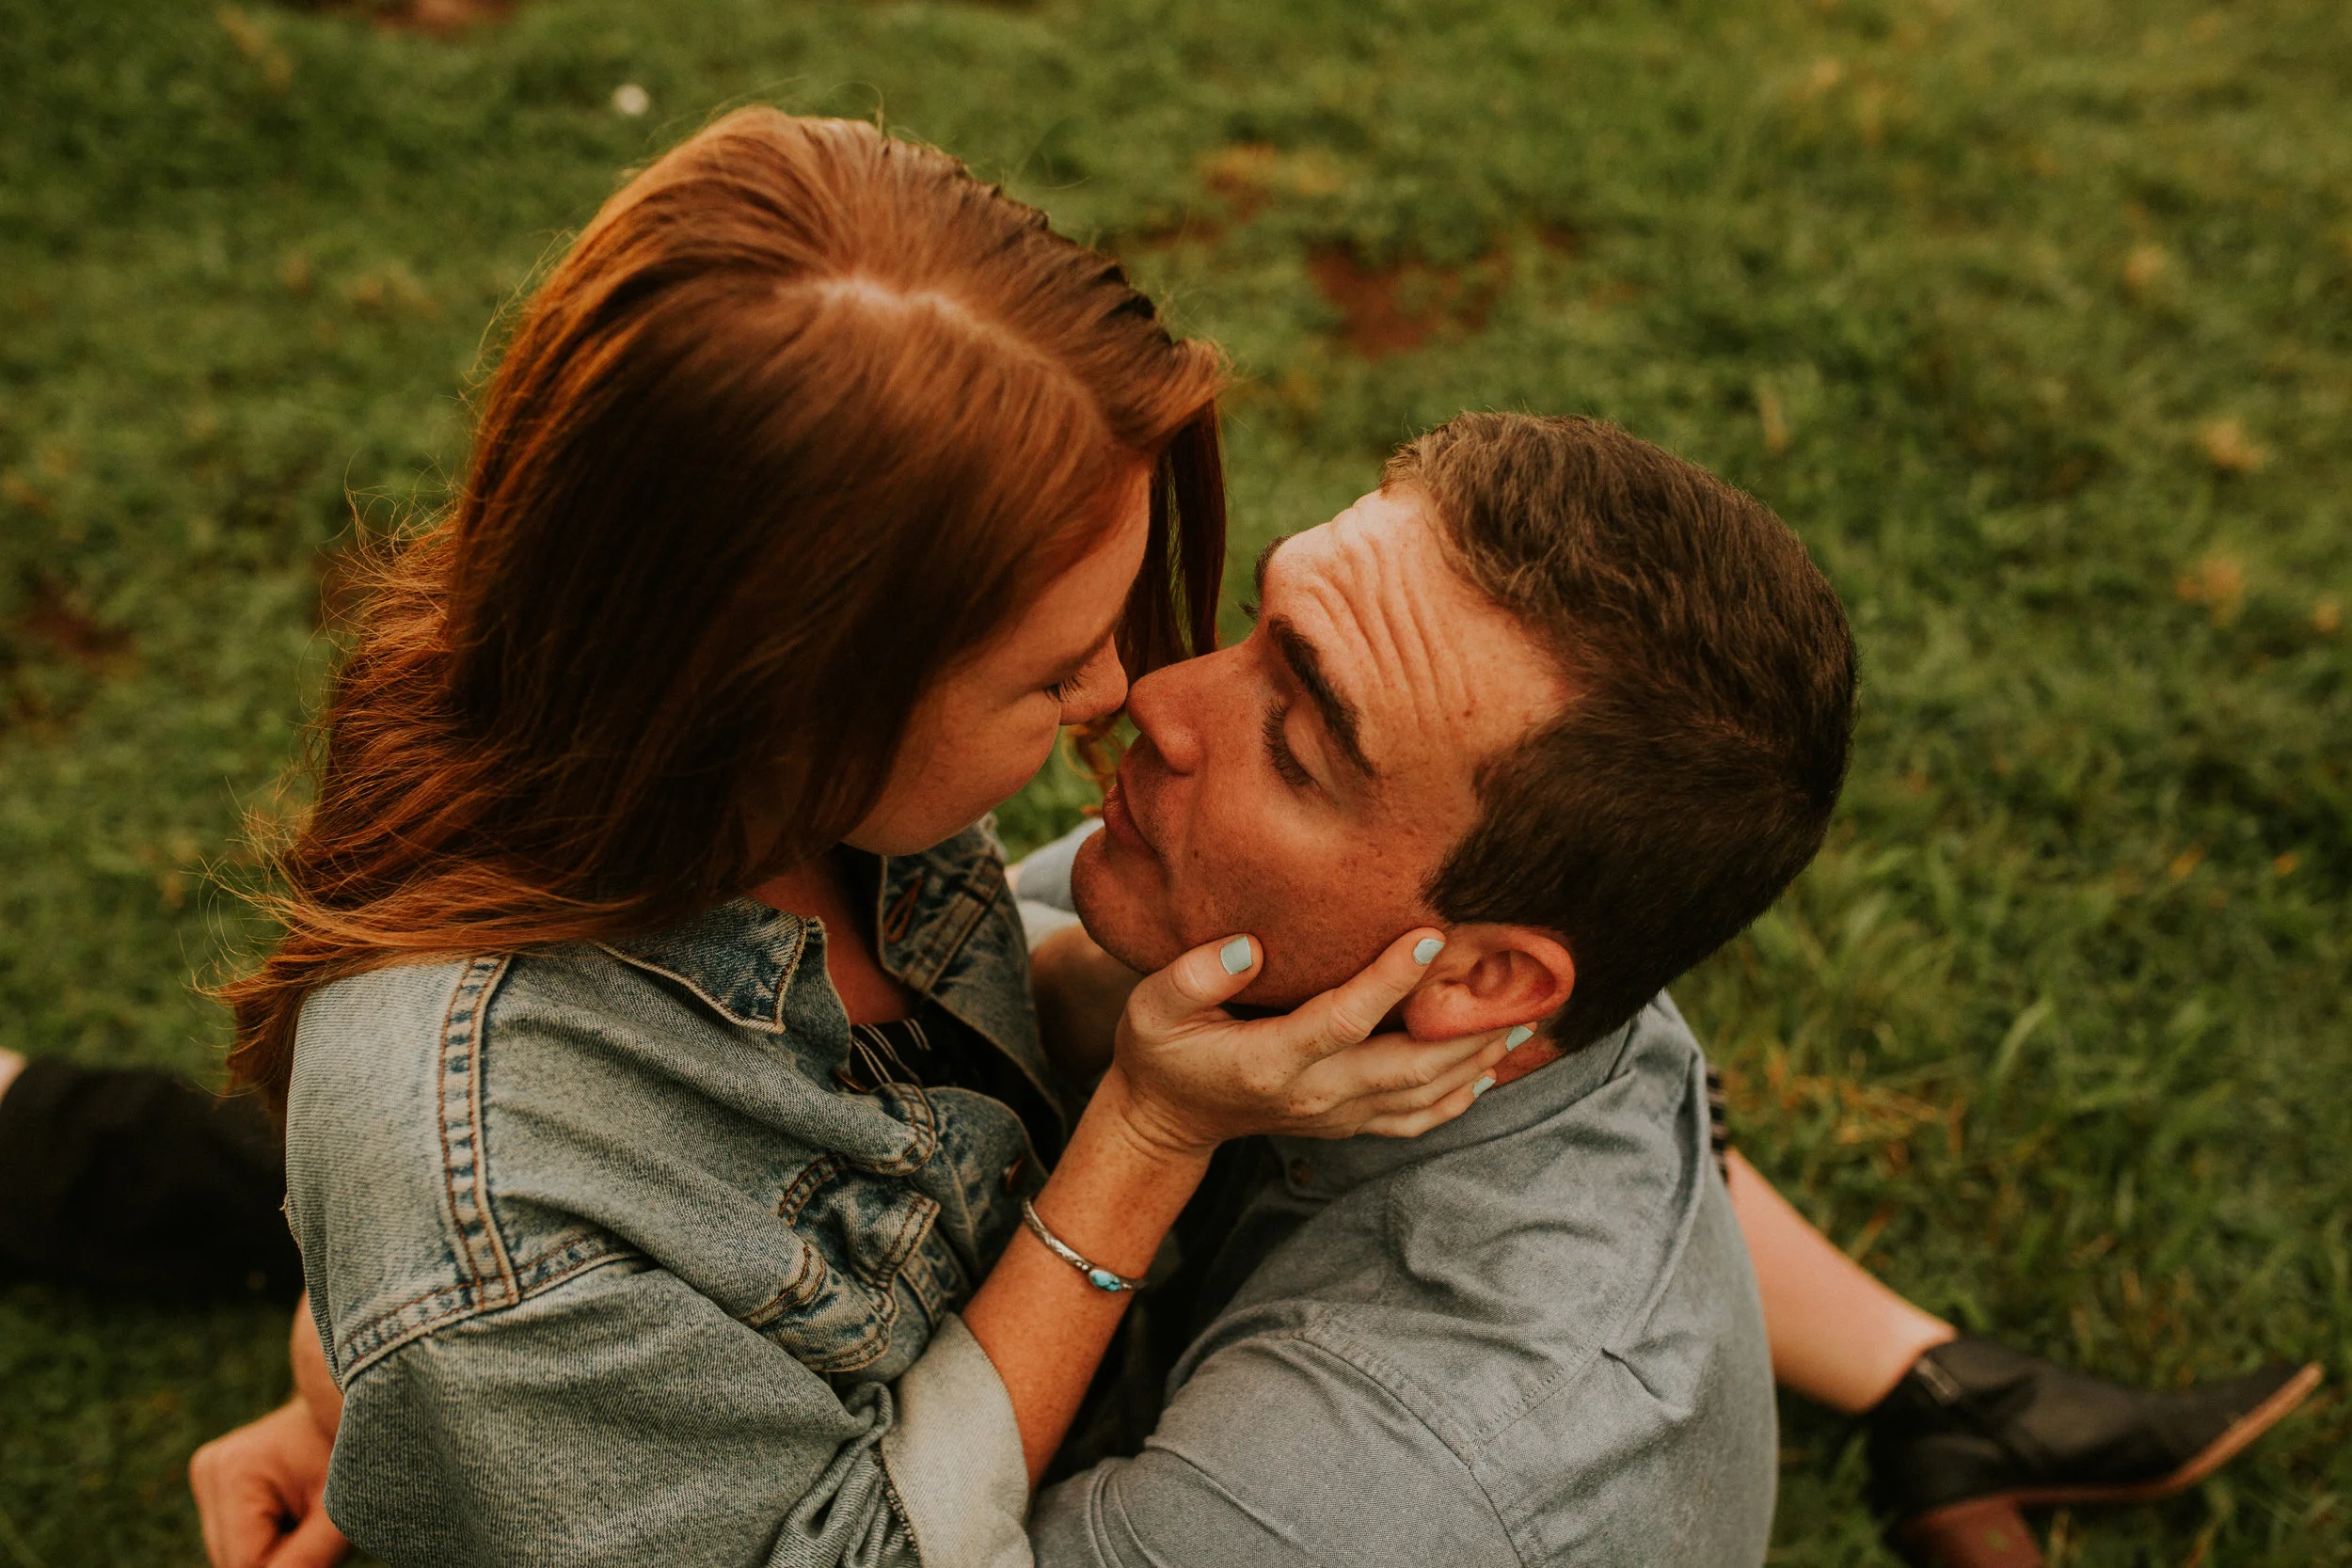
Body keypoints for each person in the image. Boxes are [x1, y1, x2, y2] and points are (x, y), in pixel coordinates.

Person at [183, 106, 1518, 1568]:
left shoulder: (761, 768)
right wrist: (1149, 1131)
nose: (1121, 690)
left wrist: (1135, 1014)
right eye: (1049, 668)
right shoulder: (495, 1202)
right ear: (784, 694)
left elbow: (914, 1072)